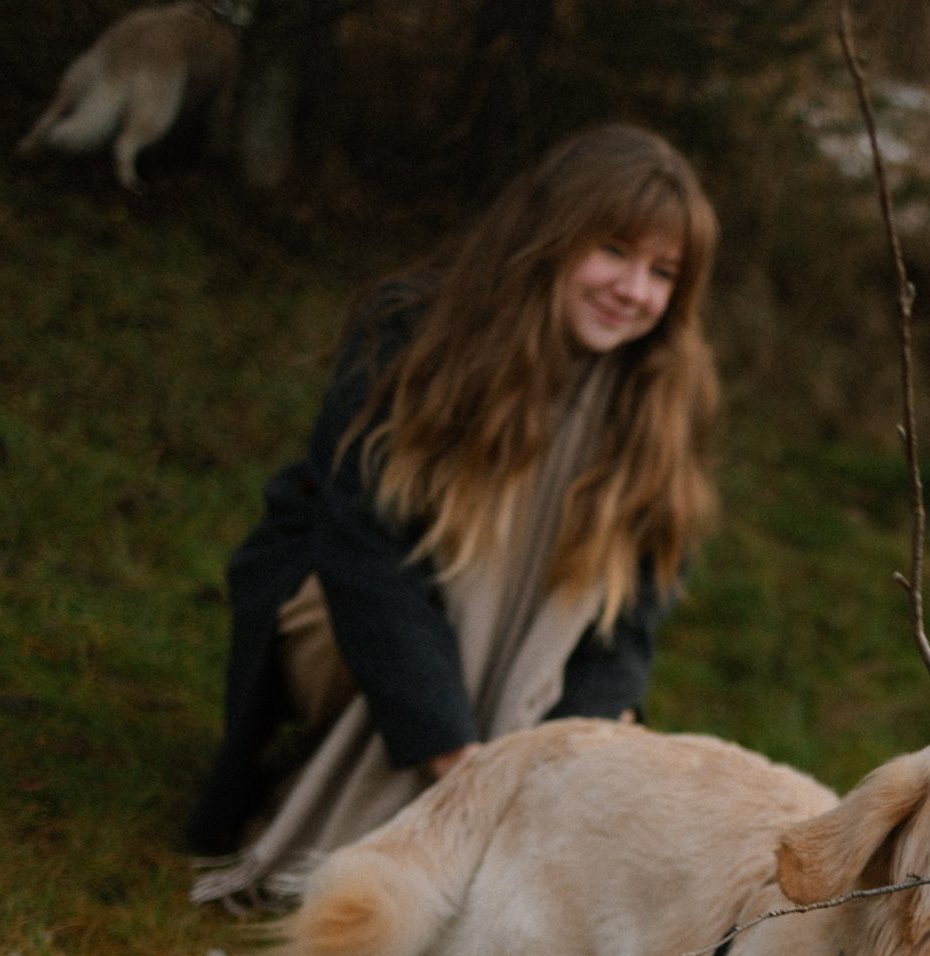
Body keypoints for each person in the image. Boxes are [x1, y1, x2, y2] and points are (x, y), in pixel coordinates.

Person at [186, 124, 721, 904]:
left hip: (533, 679)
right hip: (355, 626)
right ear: (549, 238)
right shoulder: (413, 332)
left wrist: (562, 770)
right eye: (612, 250)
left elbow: (624, 630)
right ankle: (370, 804)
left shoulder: (667, 404)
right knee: (455, 602)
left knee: (616, 754)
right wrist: (455, 757)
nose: (634, 290)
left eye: (663, 272)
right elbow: (361, 552)